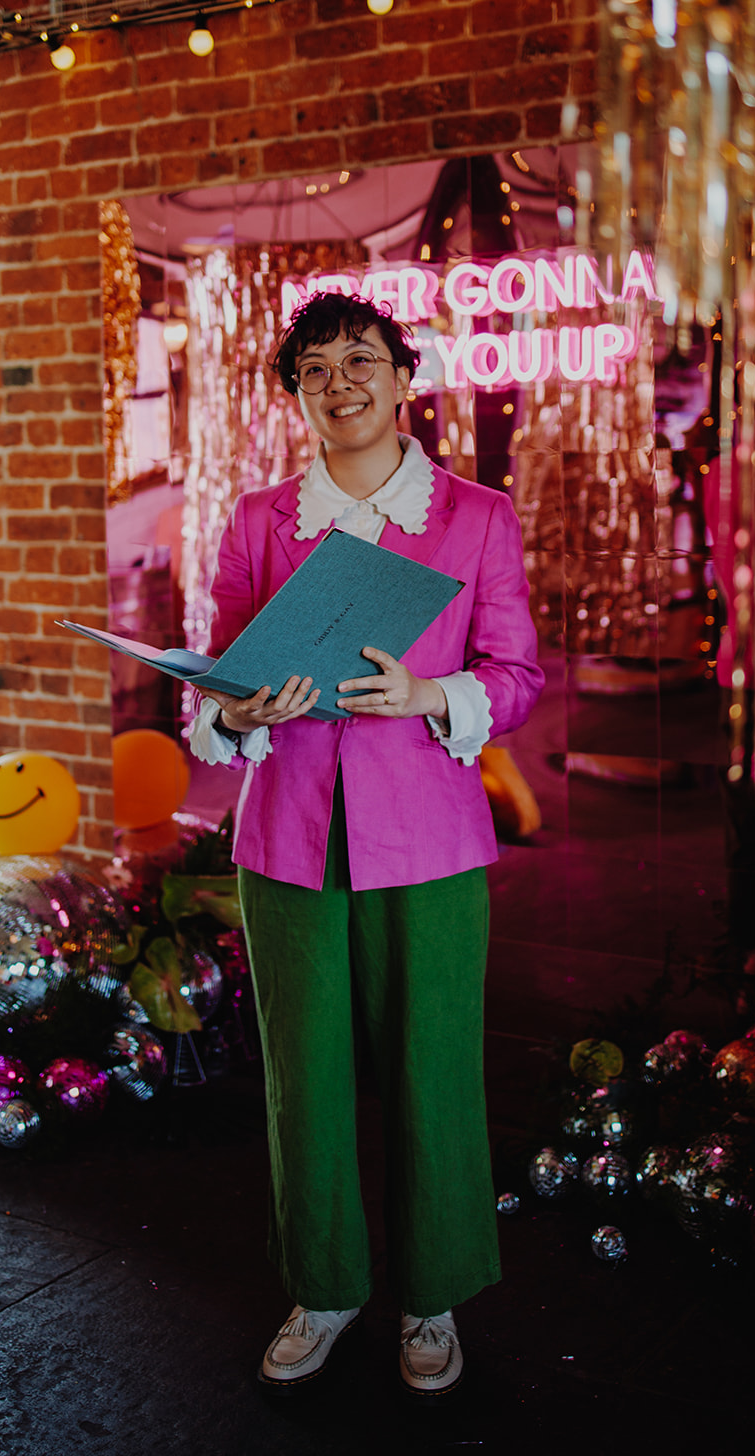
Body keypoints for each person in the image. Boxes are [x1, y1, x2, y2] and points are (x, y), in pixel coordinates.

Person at [188, 293, 544, 1397]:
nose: (338, 384)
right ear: (294, 395)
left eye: (359, 362)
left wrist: (428, 690)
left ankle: (429, 1296)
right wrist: (235, 714)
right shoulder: (255, 521)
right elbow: (214, 678)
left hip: (429, 839)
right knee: (304, 1075)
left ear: (403, 378)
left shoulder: (476, 516)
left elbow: (518, 676)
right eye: (312, 370)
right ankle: (326, 1283)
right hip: (285, 837)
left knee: (434, 1068)